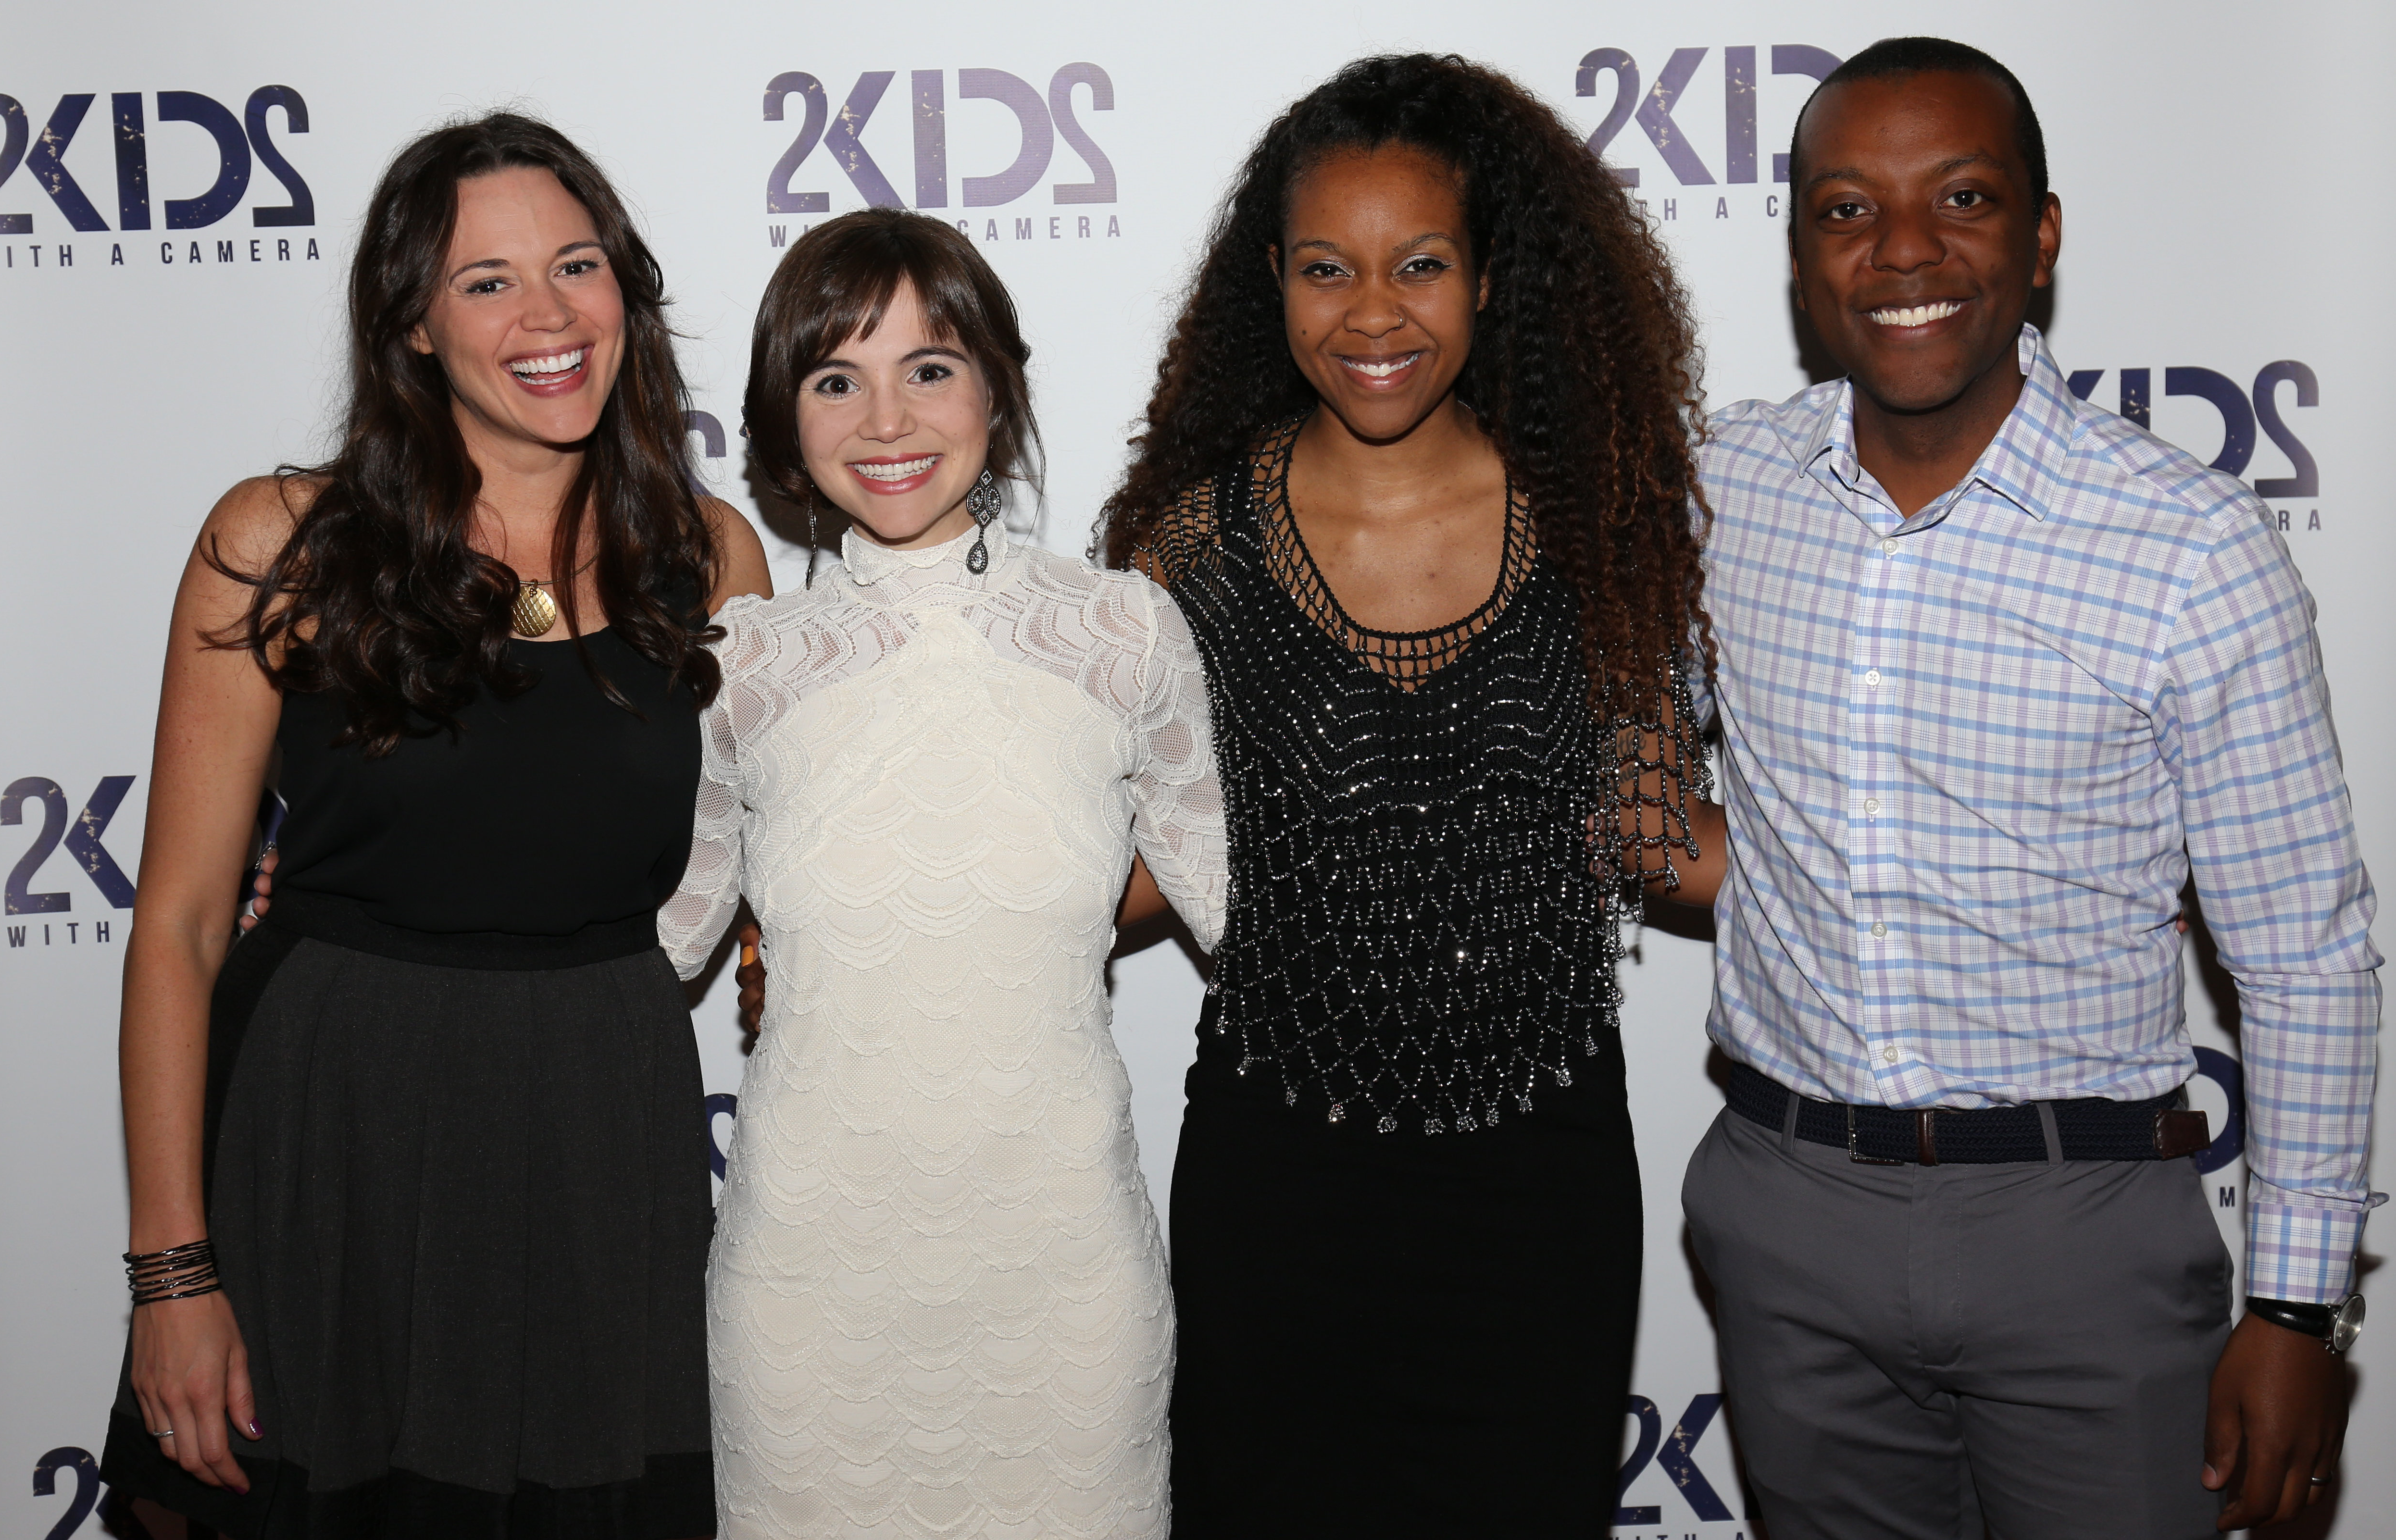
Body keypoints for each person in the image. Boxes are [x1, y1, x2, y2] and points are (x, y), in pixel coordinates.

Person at [1685, 37, 2379, 1539]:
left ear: (2042, 234)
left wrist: (2298, 1305)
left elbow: (2305, 959)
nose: (1906, 252)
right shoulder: (1717, 491)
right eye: (1846, 210)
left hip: (2082, 1234)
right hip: (1786, 1210)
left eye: (1964, 198)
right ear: (1801, 252)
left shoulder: (2189, 548)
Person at [102, 112, 772, 1538]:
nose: (547, 315)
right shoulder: (279, 542)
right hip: (331, 1126)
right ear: (411, 322)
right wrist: (172, 1272)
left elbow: (789, 850)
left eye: (576, 264)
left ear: (624, 290)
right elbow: (175, 925)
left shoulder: (709, 554)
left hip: (601, 1138)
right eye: (486, 281)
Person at [1097, 54, 1723, 1534]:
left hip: (1536, 1174)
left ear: (1489, 279)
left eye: (1419, 264)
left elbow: (1647, 833)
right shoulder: (1186, 548)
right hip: (1279, 1169)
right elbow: (1127, 864)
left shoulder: (1597, 520)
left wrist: (1913, 876)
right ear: (1274, 281)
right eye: (1327, 268)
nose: (1371, 312)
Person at [659, 210, 1227, 1538]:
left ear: (997, 388)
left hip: (1063, 1280)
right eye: (833, 377)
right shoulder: (741, 665)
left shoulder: (1121, 632)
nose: (884, 418)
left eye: (930, 366)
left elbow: (1247, 912)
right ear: (783, 420)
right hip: (809, 1292)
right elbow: (649, 944)